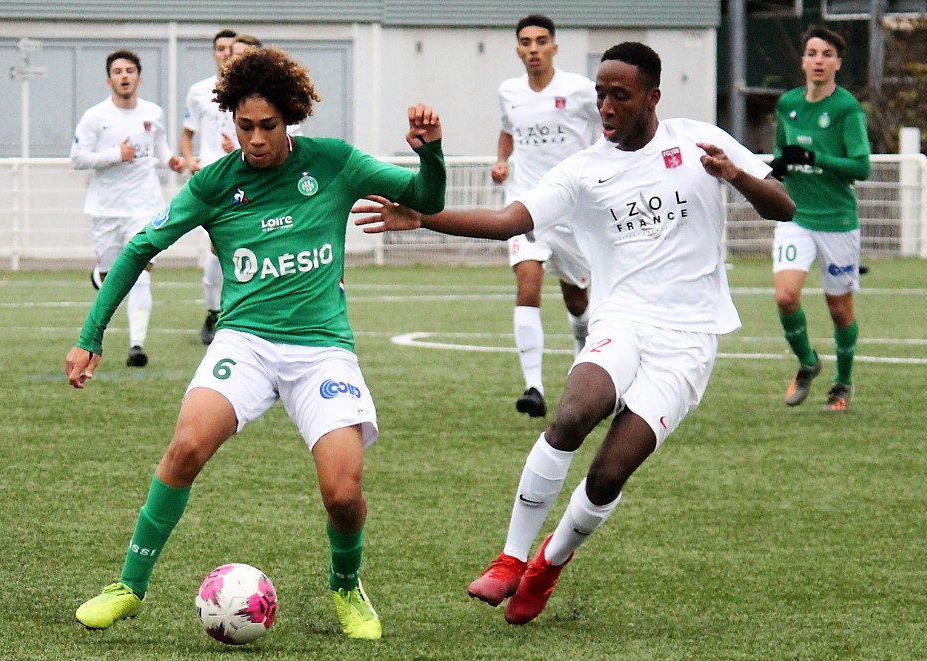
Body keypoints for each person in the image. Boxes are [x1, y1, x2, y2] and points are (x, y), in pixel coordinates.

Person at [353, 41, 794, 625]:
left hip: (688, 340)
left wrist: (735, 175)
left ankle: (549, 563)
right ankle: (510, 558)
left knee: (609, 472)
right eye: (600, 95)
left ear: (653, 97)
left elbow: (783, 207)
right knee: (572, 415)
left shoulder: (699, 141)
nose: (606, 107)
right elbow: (509, 221)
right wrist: (424, 216)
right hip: (621, 320)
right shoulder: (585, 170)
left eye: (620, 96)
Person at [67, 47, 446, 640]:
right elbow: (140, 247)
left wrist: (431, 153)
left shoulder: (334, 162)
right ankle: (129, 586)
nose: (256, 139)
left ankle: (346, 585)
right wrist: (91, 336)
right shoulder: (215, 183)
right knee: (186, 446)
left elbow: (426, 197)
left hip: (321, 349)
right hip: (243, 342)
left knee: (343, 492)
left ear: (290, 117)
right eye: (245, 126)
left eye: (268, 125)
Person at [493, 14, 597, 418]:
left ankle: (582, 355)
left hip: (572, 208)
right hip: (527, 204)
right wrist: (503, 161)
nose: (533, 49)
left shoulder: (579, 90)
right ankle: (533, 387)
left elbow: (611, 122)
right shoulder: (509, 91)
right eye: (525, 42)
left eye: (540, 41)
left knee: (577, 298)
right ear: (518, 49)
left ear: (554, 46)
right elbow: (508, 130)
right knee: (528, 284)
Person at [768, 25, 870, 412]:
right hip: (795, 216)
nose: (819, 61)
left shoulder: (847, 109)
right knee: (785, 296)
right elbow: (782, 151)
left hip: (837, 221)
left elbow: (861, 167)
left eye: (827, 55)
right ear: (803, 61)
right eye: (812, 53)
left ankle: (842, 384)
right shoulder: (788, 104)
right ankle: (808, 362)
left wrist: (815, 158)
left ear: (838, 64)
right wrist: (779, 166)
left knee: (839, 309)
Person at [71, 49, 184, 367]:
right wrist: (114, 155)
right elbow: (77, 159)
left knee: (141, 273)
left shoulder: (153, 113)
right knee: (111, 277)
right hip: (107, 208)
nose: (124, 76)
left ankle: (137, 346)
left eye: (130, 71)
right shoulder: (95, 117)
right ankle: (99, 275)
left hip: (144, 205)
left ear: (138, 78)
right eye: (118, 72)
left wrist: (171, 161)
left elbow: (160, 147)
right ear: (109, 80)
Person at [180, 29, 237, 345]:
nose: (226, 53)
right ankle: (214, 312)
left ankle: (239, 312)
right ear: (214, 53)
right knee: (218, 244)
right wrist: (190, 161)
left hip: (247, 176)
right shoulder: (200, 91)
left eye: (231, 48)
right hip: (214, 180)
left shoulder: (253, 91)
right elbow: (187, 134)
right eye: (221, 48)